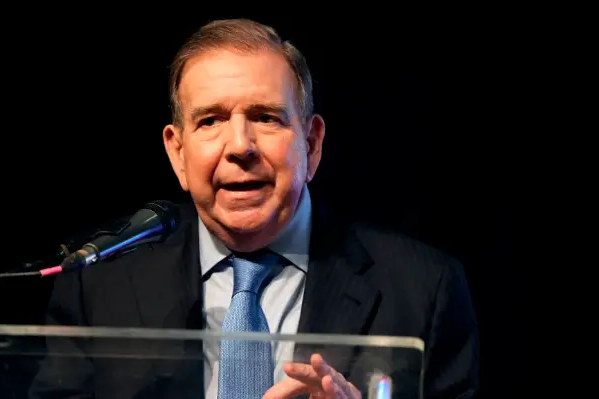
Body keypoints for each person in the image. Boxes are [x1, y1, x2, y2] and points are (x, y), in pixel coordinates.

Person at [29, 18, 478, 399]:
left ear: (312, 143)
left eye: (265, 117)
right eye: (211, 121)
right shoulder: (98, 286)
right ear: (177, 153)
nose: (240, 146)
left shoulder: (423, 289)